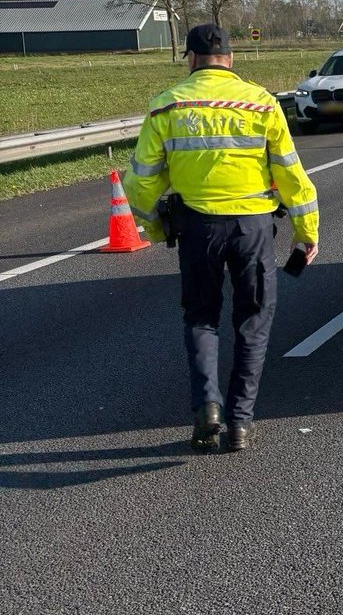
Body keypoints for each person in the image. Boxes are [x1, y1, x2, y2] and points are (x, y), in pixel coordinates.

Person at [124, 23, 319, 452]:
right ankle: (240, 423)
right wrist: (306, 233)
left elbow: (139, 184)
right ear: (230, 59)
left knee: (201, 318)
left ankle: (207, 408)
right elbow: (292, 174)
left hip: (197, 227)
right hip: (253, 228)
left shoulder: (165, 107)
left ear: (191, 59)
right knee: (253, 322)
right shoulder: (262, 103)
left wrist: (157, 227)